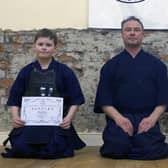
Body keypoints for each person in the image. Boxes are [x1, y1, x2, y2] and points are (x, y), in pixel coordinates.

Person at [2, 28, 85, 159]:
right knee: (22, 148)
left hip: (55, 123)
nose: (44, 48)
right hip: (30, 122)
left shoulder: (65, 72)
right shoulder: (26, 71)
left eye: (48, 45)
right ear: (34, 46)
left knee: (55, 148)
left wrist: (68, 119)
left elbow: (76, 99)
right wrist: (15, 117)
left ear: (55, 48)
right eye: (40, 44)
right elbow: (15, 98)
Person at [94, 16, 168, 160]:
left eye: (136, 30)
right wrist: (119, 119)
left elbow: (164, 99)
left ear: (143, 34)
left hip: (146, 118)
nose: (132, 33)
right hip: (120, 118)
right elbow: (104, 101)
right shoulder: (110, 66)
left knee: (151, 151)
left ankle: (142, 144)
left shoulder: (157, 66)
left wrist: (152, 119)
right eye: (128, 30)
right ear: (122, 34)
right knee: (116, 149)